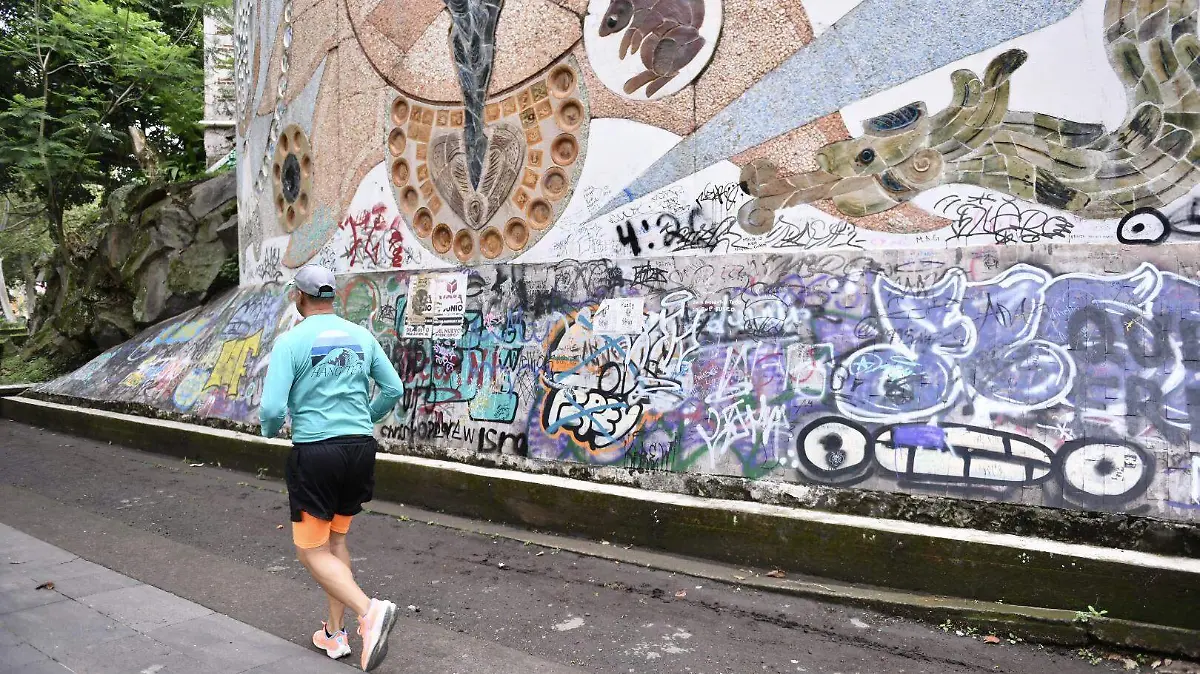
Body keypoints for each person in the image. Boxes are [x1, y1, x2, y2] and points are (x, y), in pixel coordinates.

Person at [259, 265, 403, 671]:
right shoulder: (362, 337)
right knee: (336, 543)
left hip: (317, 453)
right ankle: (335, 636)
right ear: (332, 297)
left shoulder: (292, 342)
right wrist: (365, 417)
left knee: (309, 551)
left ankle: (368, 610)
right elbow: (394, 388)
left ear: (297, 297)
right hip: (359, 449)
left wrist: (269, 432)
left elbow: (271, 409)